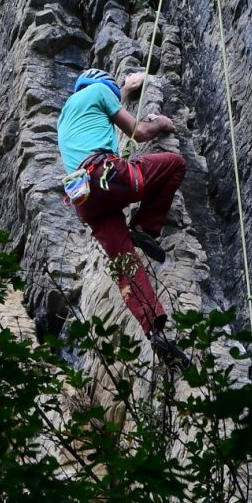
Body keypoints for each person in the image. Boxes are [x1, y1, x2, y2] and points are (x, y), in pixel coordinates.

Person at [57, 68, 189, 366]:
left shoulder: (66, 115)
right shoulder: (100, 92)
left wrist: (126, 90)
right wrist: (161, 123)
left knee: (126, 265)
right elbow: (138, 133)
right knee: (175, 164)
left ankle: (154, 331)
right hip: (106, 177)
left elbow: (106, 106)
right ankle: (144, 227)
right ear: (104, 86)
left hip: (85, 200)